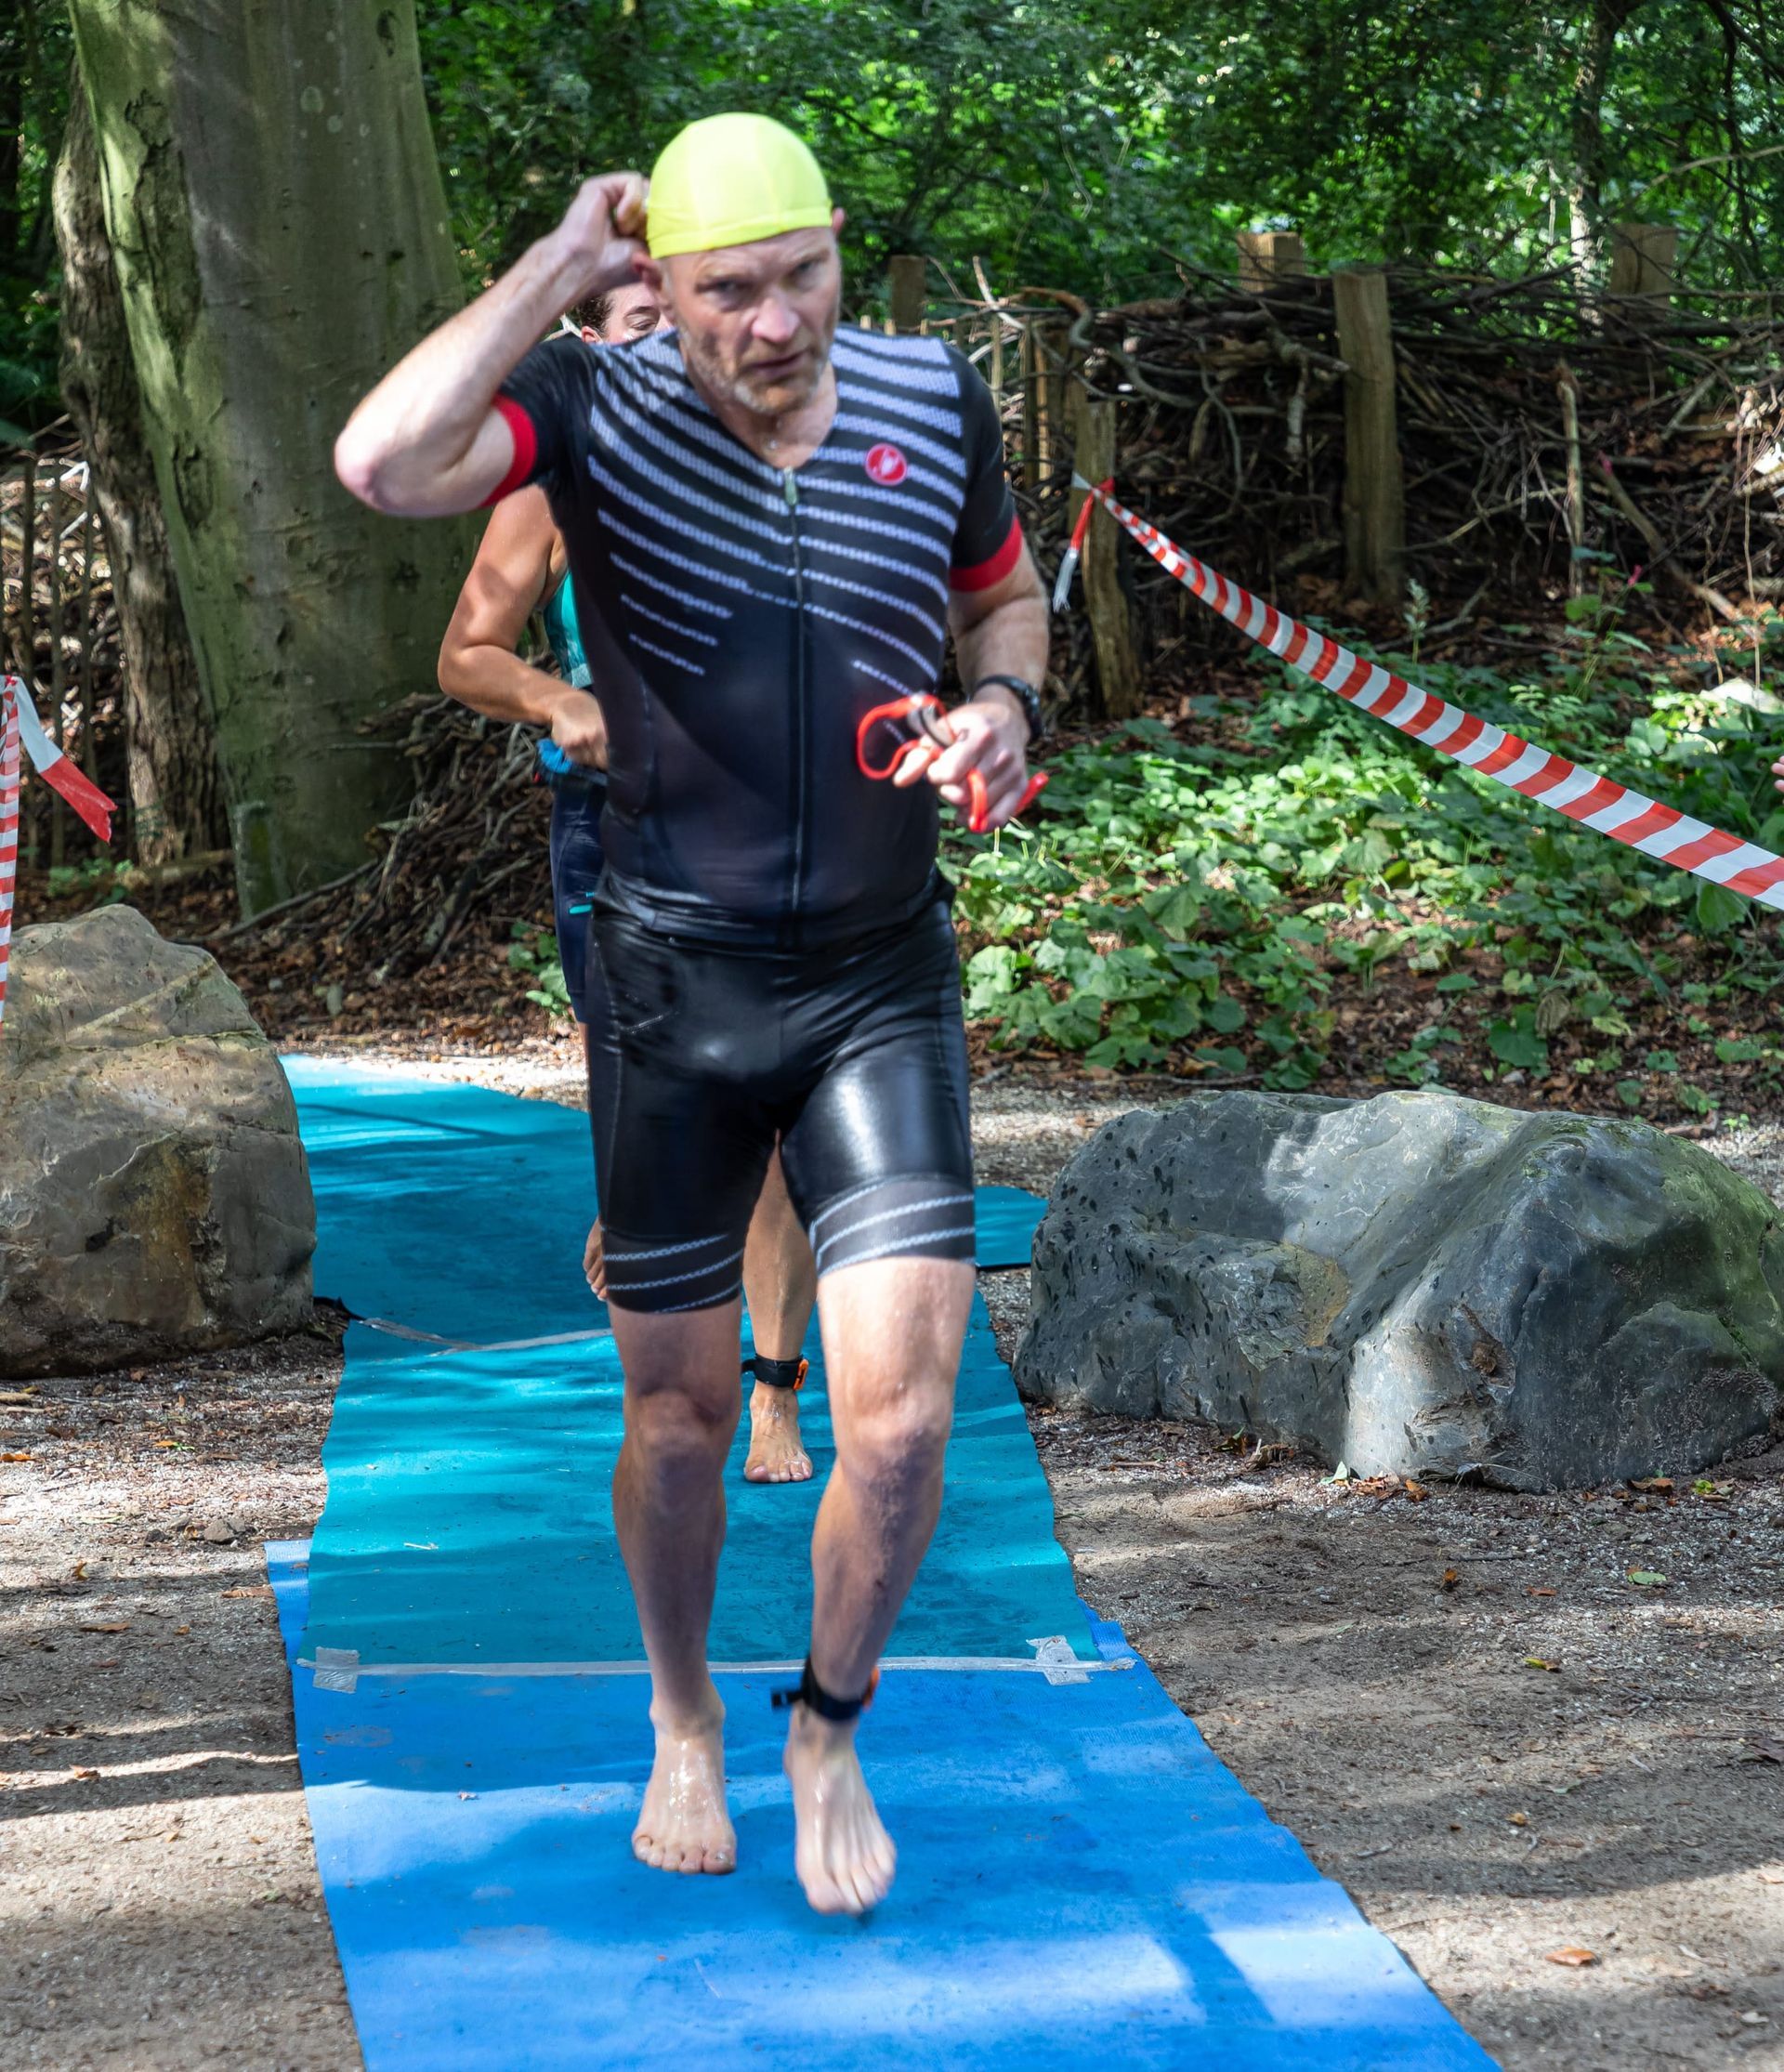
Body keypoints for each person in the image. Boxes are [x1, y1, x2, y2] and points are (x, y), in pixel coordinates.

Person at [334, 112, 1049, 1917]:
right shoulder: (591, 408)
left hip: (884, 973)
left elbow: (1011, 600)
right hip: (672, 975)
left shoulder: (930, 398)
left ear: (834, 256)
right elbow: (377, 455)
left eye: (803, 276)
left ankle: (827, 1716)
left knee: (901, 1415)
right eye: (732, 290)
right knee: (673, 1420)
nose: (778, 321)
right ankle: (678, 1712)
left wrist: (1010, 716)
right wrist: (557, 276)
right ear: (662, 285)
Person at [436, 277, 818, 1486]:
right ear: (591, 342)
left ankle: (774, 1394)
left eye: (680, 313)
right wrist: (564, 700)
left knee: (773, 1119)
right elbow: (468, 655)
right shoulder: (554, 483)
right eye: (635, 318)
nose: (664, 335)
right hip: (612, 824)